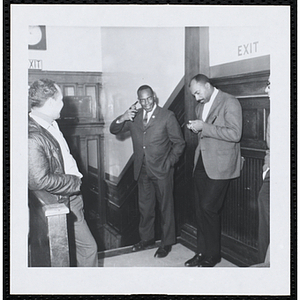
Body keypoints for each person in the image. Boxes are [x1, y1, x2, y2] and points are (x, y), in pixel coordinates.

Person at [28, 79, 98, 267]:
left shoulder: (49, 123)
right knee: (88, 248)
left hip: (70, 197)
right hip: (60, 200)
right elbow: (38, 180)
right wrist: (74, 182)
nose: (63, 104)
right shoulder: (33, 135)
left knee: (77, 250)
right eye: (61, 100)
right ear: (51, 102)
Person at [110, 85, 185, 258]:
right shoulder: (133, 117)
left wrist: (169, 163)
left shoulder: (167, 116)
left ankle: (166, 243)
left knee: (166, 208)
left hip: (162, 171)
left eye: (149, 98)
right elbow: (114, 129)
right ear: (139, 100)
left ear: (154, 97)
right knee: (145, 208)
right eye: (142, 100)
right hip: (142, 170)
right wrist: (122, 117)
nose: (146, 103)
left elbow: (179, 143)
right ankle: (147, 239)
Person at [185, 74, 243, 267]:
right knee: (200, 210)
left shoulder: (230, 101)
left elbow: (235, 134)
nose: (196, 98)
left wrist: (205, 127)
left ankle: (213, 254)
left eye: (198, 93)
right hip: (201, 163)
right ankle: (201, 252)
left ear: (208, 86)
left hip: (221, 166)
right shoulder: (200, 105)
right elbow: (206, 133)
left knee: (209, 207)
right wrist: (197, 128)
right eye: (194, 95)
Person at [257, 77, 270, 264]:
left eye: (271, 84)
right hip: (271, 175)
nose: (267, 89)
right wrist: (266, 169)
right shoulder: (272, 115)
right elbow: (270, 148)